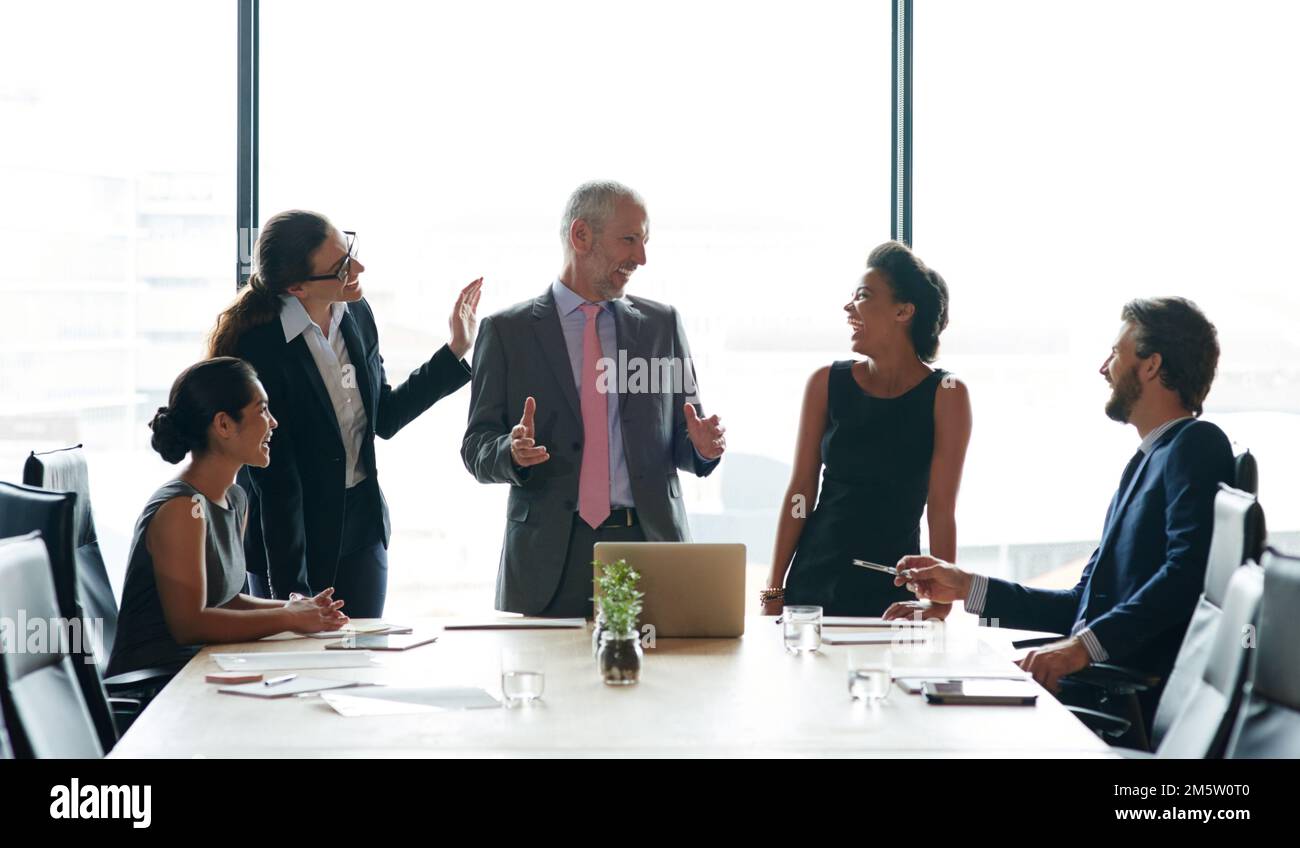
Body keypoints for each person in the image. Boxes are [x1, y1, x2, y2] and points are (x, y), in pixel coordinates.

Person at [893, 297, 1232, 730]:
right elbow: (1080, 606)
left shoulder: (1195, 444)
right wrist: (966, 587)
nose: (1104, 367)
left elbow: (1187, 576)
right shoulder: (1147, 462)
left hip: (1118, 699)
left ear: (1151, 366)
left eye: (1116, 353)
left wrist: (1079, 650)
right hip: (1094, 682)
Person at [462, 181, 727, 617]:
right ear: (581, 236)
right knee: (552, 685)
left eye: (644, 242)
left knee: (663, 684)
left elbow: (684, 433)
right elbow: (476, 448)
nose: (641, 257)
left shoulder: (662, 324)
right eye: (629, 239)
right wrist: (509, 452)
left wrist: (701, 446)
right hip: (551, 559)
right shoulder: (506, 332)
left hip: (651, 545)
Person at [207, 210, 481, 617]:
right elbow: (276, 484)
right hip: (289, 537)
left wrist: (455, 349)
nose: (358, 267)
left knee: (364, 663)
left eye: (349, 250)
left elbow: (382, 416)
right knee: (298, 670)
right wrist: (292, 592)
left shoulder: (355, 313)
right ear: (297, 287)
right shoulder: (259, 346)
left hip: (361, 527)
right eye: (341, 266)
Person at [761, 242, 971, 618]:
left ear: (903, 311)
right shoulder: (825, 382)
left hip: (891, 591)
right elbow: (801, 491)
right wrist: (773, 589)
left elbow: (941, 509)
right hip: (811, 585)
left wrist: (939, 606)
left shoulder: (948, 394)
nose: (848, 308)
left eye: (862, 296)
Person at [108, 358, 348, 678]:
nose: (273, 422)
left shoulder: (234, 498)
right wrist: (288, 618)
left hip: (200, 668)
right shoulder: (183, 509)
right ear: (223, 425)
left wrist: (300, 610)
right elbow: (190, 625)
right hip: (157, 685)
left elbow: (227, 600)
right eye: (262, 410)